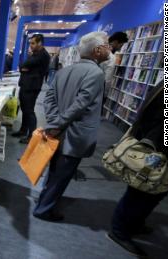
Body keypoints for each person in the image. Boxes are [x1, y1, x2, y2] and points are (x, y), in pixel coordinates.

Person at [32, 31, 110, 222]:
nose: (110, 49)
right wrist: (58, 124)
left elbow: (49, 98)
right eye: (107, 45)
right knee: (62, 175)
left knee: (54, 170)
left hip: (58, 131)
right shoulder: (96, 73)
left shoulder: (64, 70)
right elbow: (81, 104)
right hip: (74, 135)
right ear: (98, 50)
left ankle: (44, 201)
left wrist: (53, 121)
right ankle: (44, 209)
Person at [107, 81, 168, 257]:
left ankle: (134, 224)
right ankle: (119, 231)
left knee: (150, 193)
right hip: (157, 151)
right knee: (140, 193)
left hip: (152, 144)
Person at [12, 34, 50, 143]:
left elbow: (25, 64)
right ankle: (23, 130)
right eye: (30, 43)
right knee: (24, 109)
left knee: (29, 111)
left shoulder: (42, 55)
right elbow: (22, 67)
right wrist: (24, 69)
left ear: (40, 43)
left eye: (33, 43)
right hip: (26, 85)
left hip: (31, 87)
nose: (31, 45)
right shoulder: (36, 54)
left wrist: (25, 68)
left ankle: (32, 136)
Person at [100, 32, 128, 101]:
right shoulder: (111, 57)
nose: (120, 48)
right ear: (115, 42)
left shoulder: (101, 51)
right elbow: (107, 79)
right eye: (120, 45)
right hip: (99, 92)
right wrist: (105, 95)